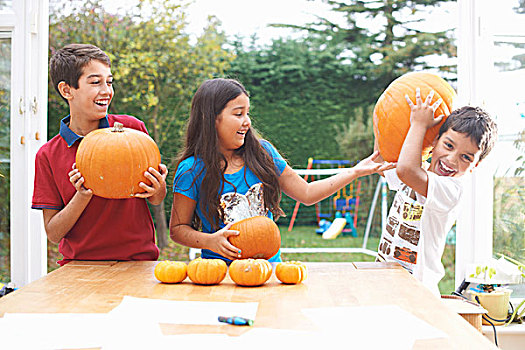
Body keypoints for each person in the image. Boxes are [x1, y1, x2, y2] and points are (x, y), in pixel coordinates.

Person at [169, 78, 394, 263]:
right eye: (238, 114)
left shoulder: (263, 152)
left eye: (247, 113)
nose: (247, 121)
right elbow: (178, 229)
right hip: (219, 275)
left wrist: (354, 171)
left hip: (269, 272)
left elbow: (306, 193)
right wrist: (209, 241)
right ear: (210, 119)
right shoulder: (191, 170)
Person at [32, 44, 168, 265]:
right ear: (67, 90)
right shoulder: (47, 155)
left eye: (109, 81)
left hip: (139, 262)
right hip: (80, 267)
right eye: (96, 82)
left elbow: (156, 198)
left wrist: (157, 186)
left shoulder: (132, 129)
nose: (107, 90)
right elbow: (54, 234)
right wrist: (83, 194)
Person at [375, 88, 498, 296]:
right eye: (448, 145)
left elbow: (405, 170)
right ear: (435, 141)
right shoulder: (420, 169)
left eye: (466, 158)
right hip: (387, 283)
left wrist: (418, 124)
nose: (451, 160)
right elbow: (380, 161)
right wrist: (384, 113)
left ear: (474, 166)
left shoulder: (452, 190)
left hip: (417, 291)